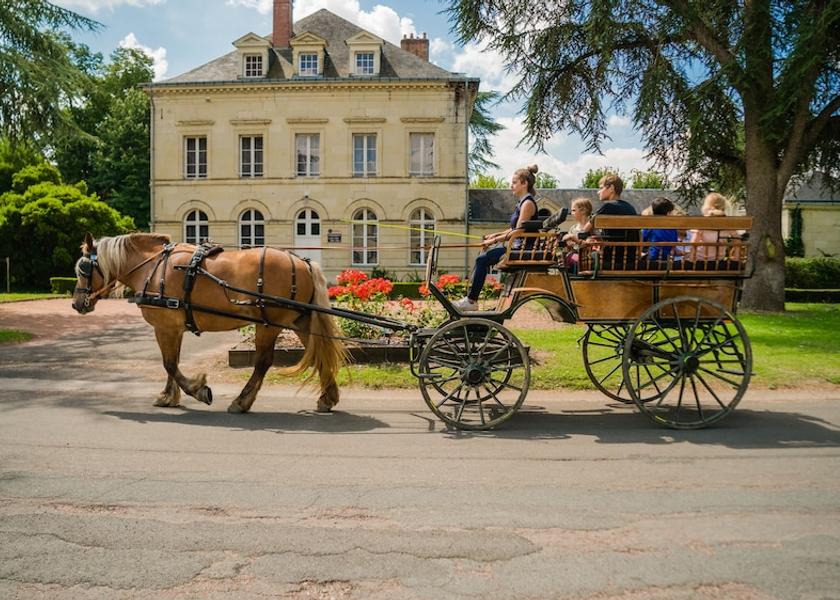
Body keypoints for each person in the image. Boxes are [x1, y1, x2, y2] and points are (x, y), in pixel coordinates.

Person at [453, 165, 539, 311]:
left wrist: (493, 241)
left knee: (482, 260)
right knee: (482, 259)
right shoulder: (523, 203)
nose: (511, 186)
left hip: (520, 248)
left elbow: (518, 231)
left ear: (524, 184)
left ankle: (471, 301)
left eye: (514, 182)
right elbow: (514, 229)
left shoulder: (528, 203)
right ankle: (471, 300)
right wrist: (494, 235)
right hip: (515, 246)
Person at [574, 173, 638, 267]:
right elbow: (620, 236)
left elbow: (585, 230)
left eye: (601, 188)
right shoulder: (630, 208)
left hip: (611, 258)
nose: (598, 192)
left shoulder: (608, 206)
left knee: (572, 259)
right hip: (630, 259)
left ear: (611, 188)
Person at [687, 192, 742, 263]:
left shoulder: (702, 222)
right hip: (719, 261)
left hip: (701, 261)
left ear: (707, 205)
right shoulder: (728, 223)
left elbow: (694, 244)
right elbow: (738, 241)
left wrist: (691, 262)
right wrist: (735, 260)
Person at [642, 196, 678, 261]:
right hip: (667, 260)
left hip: (652, 259)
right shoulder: (673, 229)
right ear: (668, 213)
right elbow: (674, 245)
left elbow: (641, 239)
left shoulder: (650, 226)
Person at [561, 197, 592, 271]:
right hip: (574, 254)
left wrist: (575, 239)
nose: (571, 213)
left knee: (569, 259)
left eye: (574, 210)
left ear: (583, 211)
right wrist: (569, 244)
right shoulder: (573, 228)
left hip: (587, 256)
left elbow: (593, 244)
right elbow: (569, 248)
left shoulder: (591, 227)